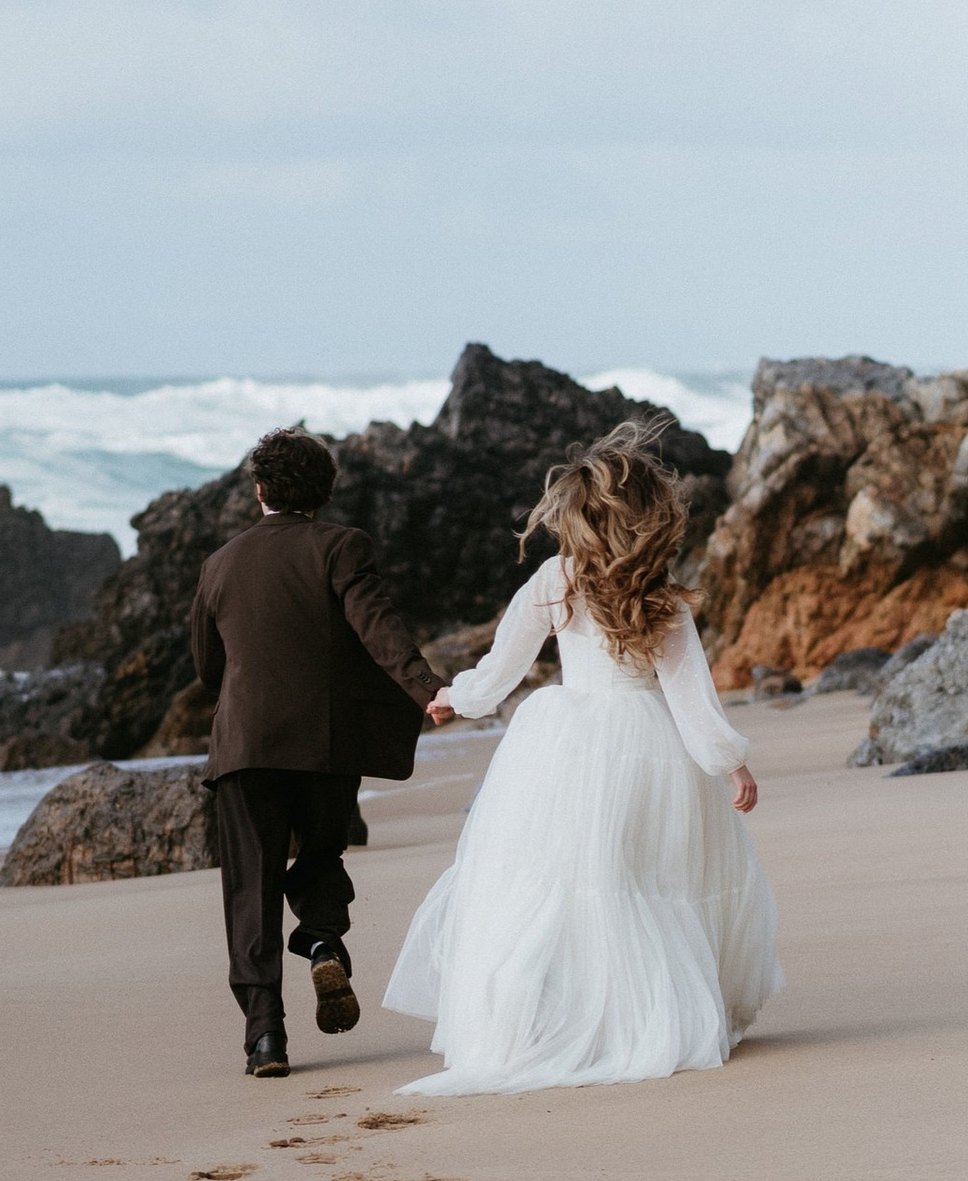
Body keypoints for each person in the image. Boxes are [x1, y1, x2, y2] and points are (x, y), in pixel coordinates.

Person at [384, 418, 780, 1096]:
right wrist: (728, 762)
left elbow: (501, 666)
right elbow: (692, 699)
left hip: (562, 744)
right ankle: (640, 1013)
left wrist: (459, 698)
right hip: (650, 749)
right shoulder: (660, 593)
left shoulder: (554, 579)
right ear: (649, 517)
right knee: (644, 881)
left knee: (562, 887)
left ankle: (549, 1019)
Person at [188, 426, 442, 1079]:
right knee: (322, 851)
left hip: (246, 748)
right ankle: (324, 937)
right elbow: (378, 629)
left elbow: (207, 669)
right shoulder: (342, 547)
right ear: (322, 492)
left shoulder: (219, 565)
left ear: (260, 489)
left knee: (252, 886)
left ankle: (266, 1038)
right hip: (326, 745)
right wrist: (426, 691)